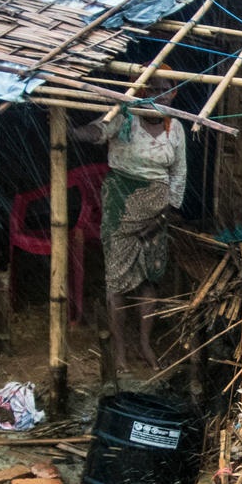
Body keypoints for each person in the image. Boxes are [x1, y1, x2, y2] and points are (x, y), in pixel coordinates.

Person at [70, 103, 187, 378]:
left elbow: (179, 174)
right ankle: (120, 348)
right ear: (142, 92)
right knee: (118, 281)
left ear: (173, 94)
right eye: (151, 89)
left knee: (149, 278)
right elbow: (97, 131)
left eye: (165, 89)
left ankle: (145, 344)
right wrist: (73, 133)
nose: (157, 97)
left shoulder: (177, 127)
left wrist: (164, 215)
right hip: (121, 208)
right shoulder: (123, 118)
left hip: (157, 213)